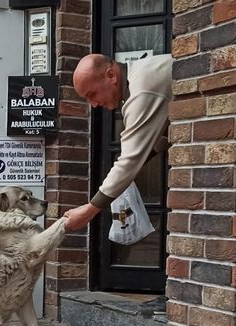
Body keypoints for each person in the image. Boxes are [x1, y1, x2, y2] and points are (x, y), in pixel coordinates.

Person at [63, 53, 172, 231]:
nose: (93, 104)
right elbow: (158, 138)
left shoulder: (141, 90)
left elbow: (130, 159)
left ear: (111, 76)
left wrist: (89, 211)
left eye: (92, 94)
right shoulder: (139, 75)